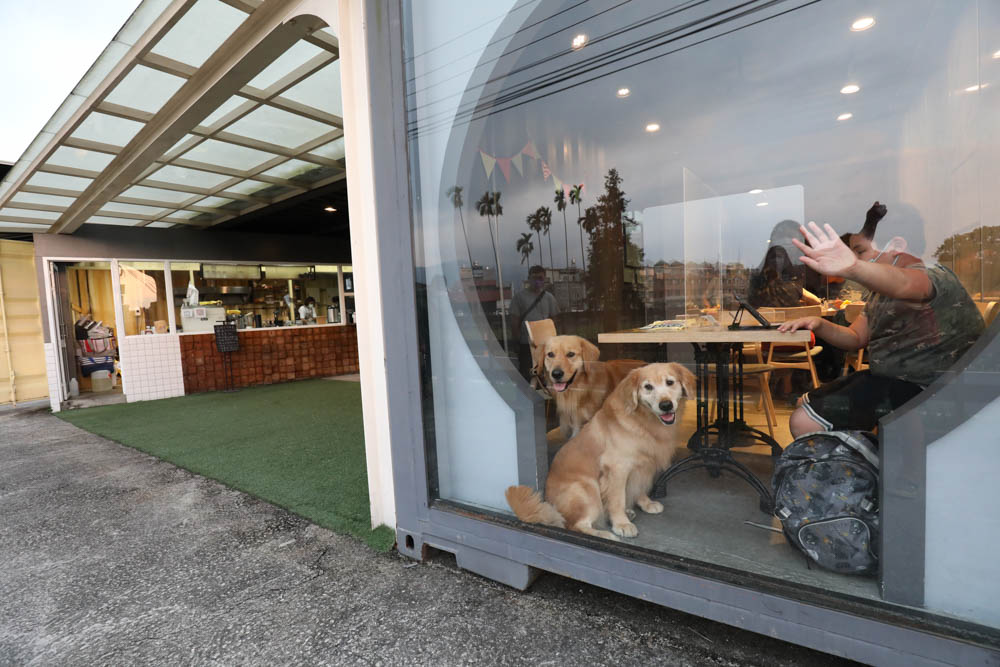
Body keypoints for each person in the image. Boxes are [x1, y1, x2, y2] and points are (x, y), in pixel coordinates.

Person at [778, 210, 984, 436]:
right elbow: (855, 338)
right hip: (887, 378)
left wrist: (853, 268)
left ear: (896, 245)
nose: (856, 259)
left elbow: (905, 284)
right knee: (803, 404)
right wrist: (819, 324)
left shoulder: (933, 275)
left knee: (805, 422)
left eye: (860, 252)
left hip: (928, 389)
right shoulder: (877, 294)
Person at [509, 265, 560, 380]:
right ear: (529, 279)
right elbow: (514, 321)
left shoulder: (549, 298)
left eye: (540, 278)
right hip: (526, 344)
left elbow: (555, 320)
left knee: (548, 376)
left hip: (546, 345)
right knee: (526, 376)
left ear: (544, 279)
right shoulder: (519, 297)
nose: (537, 281)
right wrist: (516, 341)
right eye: (534, 278)